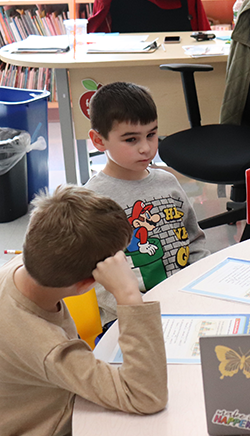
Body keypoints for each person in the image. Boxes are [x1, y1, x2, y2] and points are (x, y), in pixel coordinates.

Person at [0, 185, 168, 435]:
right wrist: (129, 296)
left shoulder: (19, 266)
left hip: (42, 401)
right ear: (87, 284)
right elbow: (147, 397)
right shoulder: (48, 347)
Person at [85, 82, 209, 327]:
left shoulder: (168, 182)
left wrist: (200, 285)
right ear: (99, 141)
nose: (146, 148)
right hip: (128, 316)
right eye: (131, 139)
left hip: (183, 302)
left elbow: (194, 241)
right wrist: (138, 309)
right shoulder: (92, 200)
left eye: (152, 134)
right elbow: (92, 278)